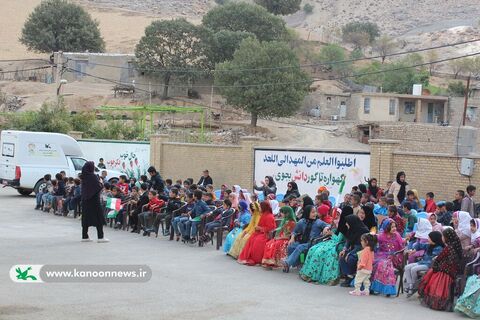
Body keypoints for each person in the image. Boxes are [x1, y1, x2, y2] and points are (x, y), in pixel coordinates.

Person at [299, 207, 352, 285]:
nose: (337, 216)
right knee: (313, 249)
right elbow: (334, 233)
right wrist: (331, 230)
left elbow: (339, 239)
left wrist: (331, 234)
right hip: (331, 242)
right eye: (335, 214)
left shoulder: (347, 225)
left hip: (339, 244)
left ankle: (319, 275)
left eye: (338, 214)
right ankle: (310, 273)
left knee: (322, 252)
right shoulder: (339, 223)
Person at [418, 228, 463, 311]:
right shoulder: (456, 246)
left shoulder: (448, 248)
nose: (442, 237)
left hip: (446, 271)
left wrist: (435, 267)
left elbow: (439, 258)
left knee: (432, 274)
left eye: (443, 236)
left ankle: (438, 303)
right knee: (433, 272)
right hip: (453, 270)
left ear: (447, 237)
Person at [282, 205, 329, 273]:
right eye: (312, 212)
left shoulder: (318, 222)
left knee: (300, 247)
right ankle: (296, 263)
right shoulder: (302, 221)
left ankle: (288, 263)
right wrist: (292, 238)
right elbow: (295, 231)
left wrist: (325, 228)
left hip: (313, 243)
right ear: (307, 213)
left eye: (315, 212)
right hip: (303, 241)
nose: (315, 214)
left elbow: (328, 225)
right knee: (291, 246)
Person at [405, 231, 444, 297]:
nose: (428, 239)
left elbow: (433, 260)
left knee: (414, 269)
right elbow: (419, 245)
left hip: (429, 265)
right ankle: (410, 285)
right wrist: (414, 249)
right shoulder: (429, 245)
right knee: (407, 267)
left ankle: (414, 286)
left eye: (429, 238)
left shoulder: (439, 248)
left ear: (434, 239)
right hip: (422, 262)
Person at [371, 219, 404, 296]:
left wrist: (394, 255)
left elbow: (401, 247)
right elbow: (376, 245)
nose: (394, 228)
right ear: (387, 227)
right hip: (382, 255)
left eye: (395, 226)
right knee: (375, 263)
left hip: (395, 256)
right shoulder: (381, 236)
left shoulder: (397, 235)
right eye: (392, 227)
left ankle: (386, 289)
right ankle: (373, 287)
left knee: (384, 264)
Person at [238, 201, 276, 266]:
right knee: (252, 238)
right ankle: (250, 257)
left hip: (266, 234)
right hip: (260, 233)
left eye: (260, 207)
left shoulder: (269, 216)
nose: (259, 208)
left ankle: (257, 259)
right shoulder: (263, 215)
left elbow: (271, 229)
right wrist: (258, 228)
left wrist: (260, 228)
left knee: (258, 241)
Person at [339, 214, 370, 287]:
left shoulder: (364, 231)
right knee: (342, 256)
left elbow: (361, 246)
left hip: (362, 251)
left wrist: (349, 253)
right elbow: (348, 241)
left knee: (351, 258)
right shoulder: (351, 229)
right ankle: (348, 277)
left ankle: (353, 275)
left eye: (347, 222)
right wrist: (344, 250)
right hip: (353, 249)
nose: (346, 224)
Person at [81, 161, 108, 243]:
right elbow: (98, 187)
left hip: (85, 201)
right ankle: (100, 237)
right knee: (99, 218)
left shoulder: (84, 177)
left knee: (86, 218)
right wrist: (101, 182)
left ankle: (84, 236)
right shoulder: (93, 176)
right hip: (94, 201)